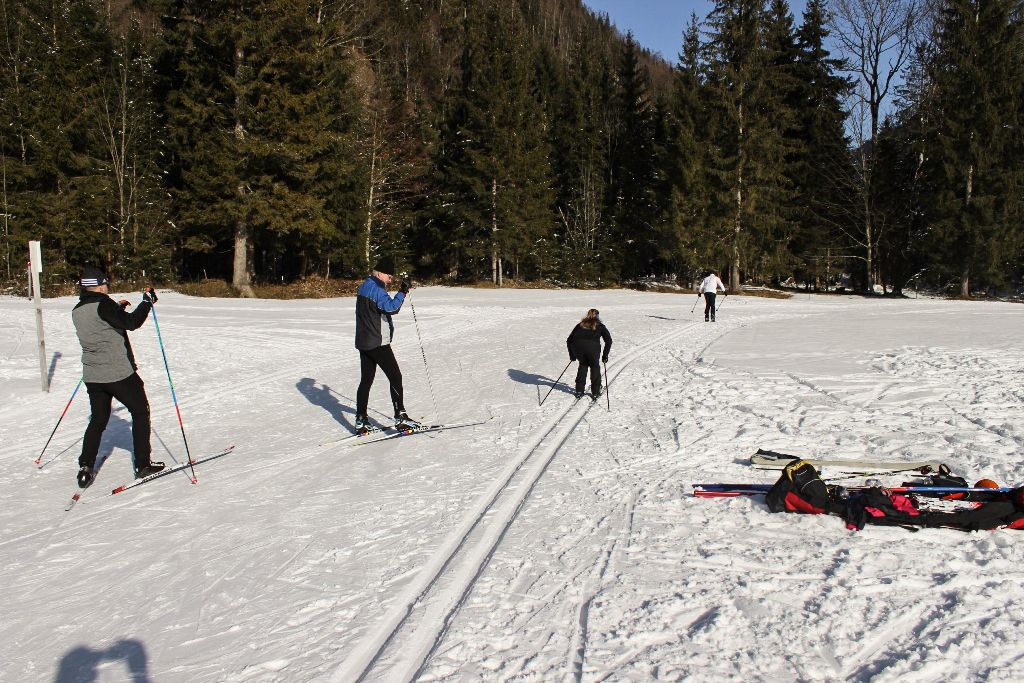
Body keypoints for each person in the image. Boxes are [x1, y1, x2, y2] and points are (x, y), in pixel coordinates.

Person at [72, 266, 162, 488]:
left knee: (98, 419)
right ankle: (143, 465)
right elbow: (131, 323)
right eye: (105, 284)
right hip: (118, 373)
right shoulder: (104, 304)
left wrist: (118, 309)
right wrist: (146, 303)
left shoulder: (77, 309)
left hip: (93, 376)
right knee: (140, 411)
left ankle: (85, 467)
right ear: (100, 284)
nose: (107, 287)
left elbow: (101, 324)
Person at [354, 256, 415, 435]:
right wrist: (402, 292)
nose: (391, 279)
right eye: (389, 275)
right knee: (395, 377)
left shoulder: (364, 286)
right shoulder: (377, 291)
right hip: (377, 343)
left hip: (364, 342)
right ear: (380, 273)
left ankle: (361, 420)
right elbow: (391, 308)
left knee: (366, 380)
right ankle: (401, 417)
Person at [566, 308, 612, 400]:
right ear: (598, 316)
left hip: (577, 348)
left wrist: (572, 355)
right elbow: (609, 341)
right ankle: (595, 391)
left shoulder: (580, 325)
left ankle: (579, 390)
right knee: (594, 366)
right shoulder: (600, 325)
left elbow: (569, 340)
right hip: (592, 349)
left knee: (583, 364)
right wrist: (605, 355)